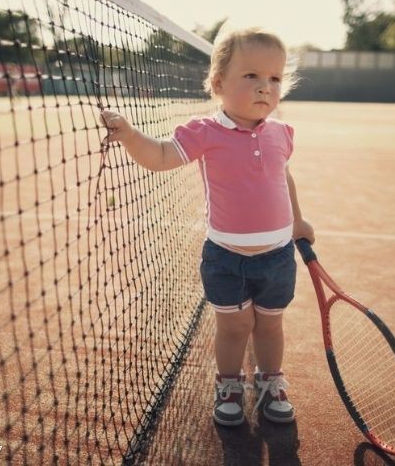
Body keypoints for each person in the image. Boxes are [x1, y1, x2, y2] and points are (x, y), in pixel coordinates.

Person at [99, 27, 314, 427]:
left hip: (279, 257)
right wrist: (129, 135)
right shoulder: (203, 132)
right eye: (251, 76)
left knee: (269, 326)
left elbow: (283, 178)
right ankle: (229, 385)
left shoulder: (282, 133)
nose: (265, 87)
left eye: (275, 78)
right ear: (218, 84)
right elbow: (162, 156)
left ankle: (270, 382)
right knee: (234, 327)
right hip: (226, 258)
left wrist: (297, 220)